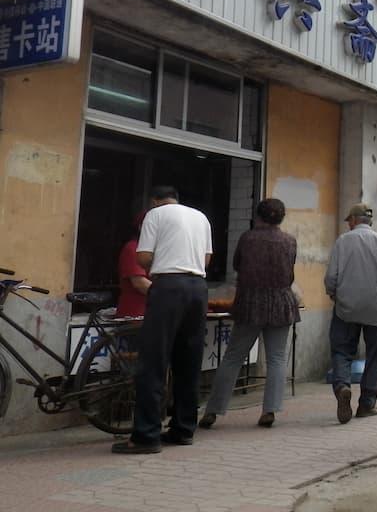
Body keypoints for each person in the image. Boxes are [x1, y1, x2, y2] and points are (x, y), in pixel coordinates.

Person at [112, 186, 212, 454]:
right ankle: (183, 429)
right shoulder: (200, 217)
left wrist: (159, 263)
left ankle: (145, 436)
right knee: (188, 360)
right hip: (198, 287)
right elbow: (207, 258)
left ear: (154, 201)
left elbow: (143, 256)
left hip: (168, 285)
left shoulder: (154, 215)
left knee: (153, 362)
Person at [199, 199, 301, 430]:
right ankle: (270, 410)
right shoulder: (289, 241)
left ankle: (212, 411)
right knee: (276, 358)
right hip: (281, 302)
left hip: (250, 302)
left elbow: (237, 265)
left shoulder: (248, 238)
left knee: (233, 356)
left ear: (258, 216)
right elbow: (290, 274)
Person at [325, 203, 377, 423]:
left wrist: (332, 294)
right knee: (374, 355)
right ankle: (366, 404)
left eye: (349, 220)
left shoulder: (342, 241)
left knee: (341, 350)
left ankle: (342, 387)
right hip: (375, 309)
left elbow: (331, 277)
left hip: (346, 307)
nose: (348, 224)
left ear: (355, 221)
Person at [116, 211, 150, 318]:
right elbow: (139, 283)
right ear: (141, 227)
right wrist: (170, 294)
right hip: (136, 315)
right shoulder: (133, 248)